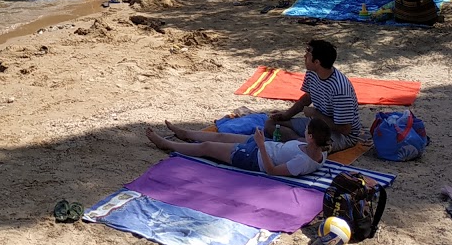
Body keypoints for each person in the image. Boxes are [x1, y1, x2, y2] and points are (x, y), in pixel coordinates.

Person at [145, 118, 332, 178]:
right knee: (221, 136)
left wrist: (261, 145)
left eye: (307, 131)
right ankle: (186, 133)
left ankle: (167, 144)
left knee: (208, 147)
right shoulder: (321, 151)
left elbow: (272, 171)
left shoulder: (301, 163)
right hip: (264, 146)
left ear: (310, 137)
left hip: (254, 158)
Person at [263, 40, 363, 150]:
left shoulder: (340, 89)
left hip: (341, 135)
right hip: (317, 124)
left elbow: (345, 129)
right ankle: (300, 142)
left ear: (317, 62)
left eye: (308, 53)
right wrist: (286, 115)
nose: (304, 56)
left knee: (314, 146)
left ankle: (302, 144)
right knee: (271, 124)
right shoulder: (312, 73)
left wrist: (316, 114)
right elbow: (307, 98)